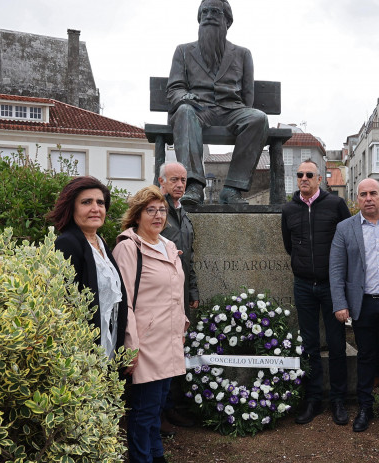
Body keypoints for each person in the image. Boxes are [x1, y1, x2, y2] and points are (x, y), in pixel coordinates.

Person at [113, 186, 189, 463]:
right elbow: (125, 303)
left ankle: (156, 454)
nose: (158, 215)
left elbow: (175, 292)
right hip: (144, 343)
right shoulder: (128, 247)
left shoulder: (168, 245)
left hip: (169, 340)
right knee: (144, 410)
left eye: (162, 210)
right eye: (150, 210)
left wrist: (182, 326)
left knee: (158, 405)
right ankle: (141, 457)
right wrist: (130, 347)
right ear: (137, 214)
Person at [167, 0, 269, 208]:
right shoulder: (183, 51)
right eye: (204, 12)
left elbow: (248, 95)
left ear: (227, 21)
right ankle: (193, 186)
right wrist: (185, 97)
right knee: (184, 111)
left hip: (231, 109)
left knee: (258, 118)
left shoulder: (242, 54)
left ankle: (232, 189)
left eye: (215, 12)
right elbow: (174, 87)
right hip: (198, 109)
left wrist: (241, 111)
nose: (209, 16)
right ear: (199, 18)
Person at [329, 178, 379, 435]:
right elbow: (337, 269)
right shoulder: (345, 228)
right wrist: (340, 304)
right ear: (357, 198)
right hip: (362, 304)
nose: (368, 198)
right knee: (365, 357)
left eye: (373, 193)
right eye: (363, 194)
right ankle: (365, 407)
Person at [281, 160, 351, 425]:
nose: (304, 178)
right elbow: (290, 246)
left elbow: (348, 241)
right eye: (300, 174)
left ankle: (338, 400)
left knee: (336, 344)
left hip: (332, 285)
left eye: (309, 174)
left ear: (320, 179)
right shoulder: (289, 209)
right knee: (309, 345)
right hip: (303, 285)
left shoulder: (335, 205)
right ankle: (313, 399)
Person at [48, 176, 128, 359]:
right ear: (72, 207)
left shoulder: (100, 245)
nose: (95, 208)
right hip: (83, 355)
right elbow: (65, 305)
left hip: (109, 350)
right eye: (86, 202)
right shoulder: (67, 244)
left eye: (100, 203)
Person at [157, 162, 201, 431]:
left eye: (183, 180)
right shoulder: (156, 211)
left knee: (175, 351)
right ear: (161, 181)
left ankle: (171, 408)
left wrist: (193, 290)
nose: (180, 185)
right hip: (161, 294)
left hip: (180, 293)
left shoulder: (183, 213)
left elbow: (189, 256)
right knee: (161, 354)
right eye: (174, 180)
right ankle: (158, 414)